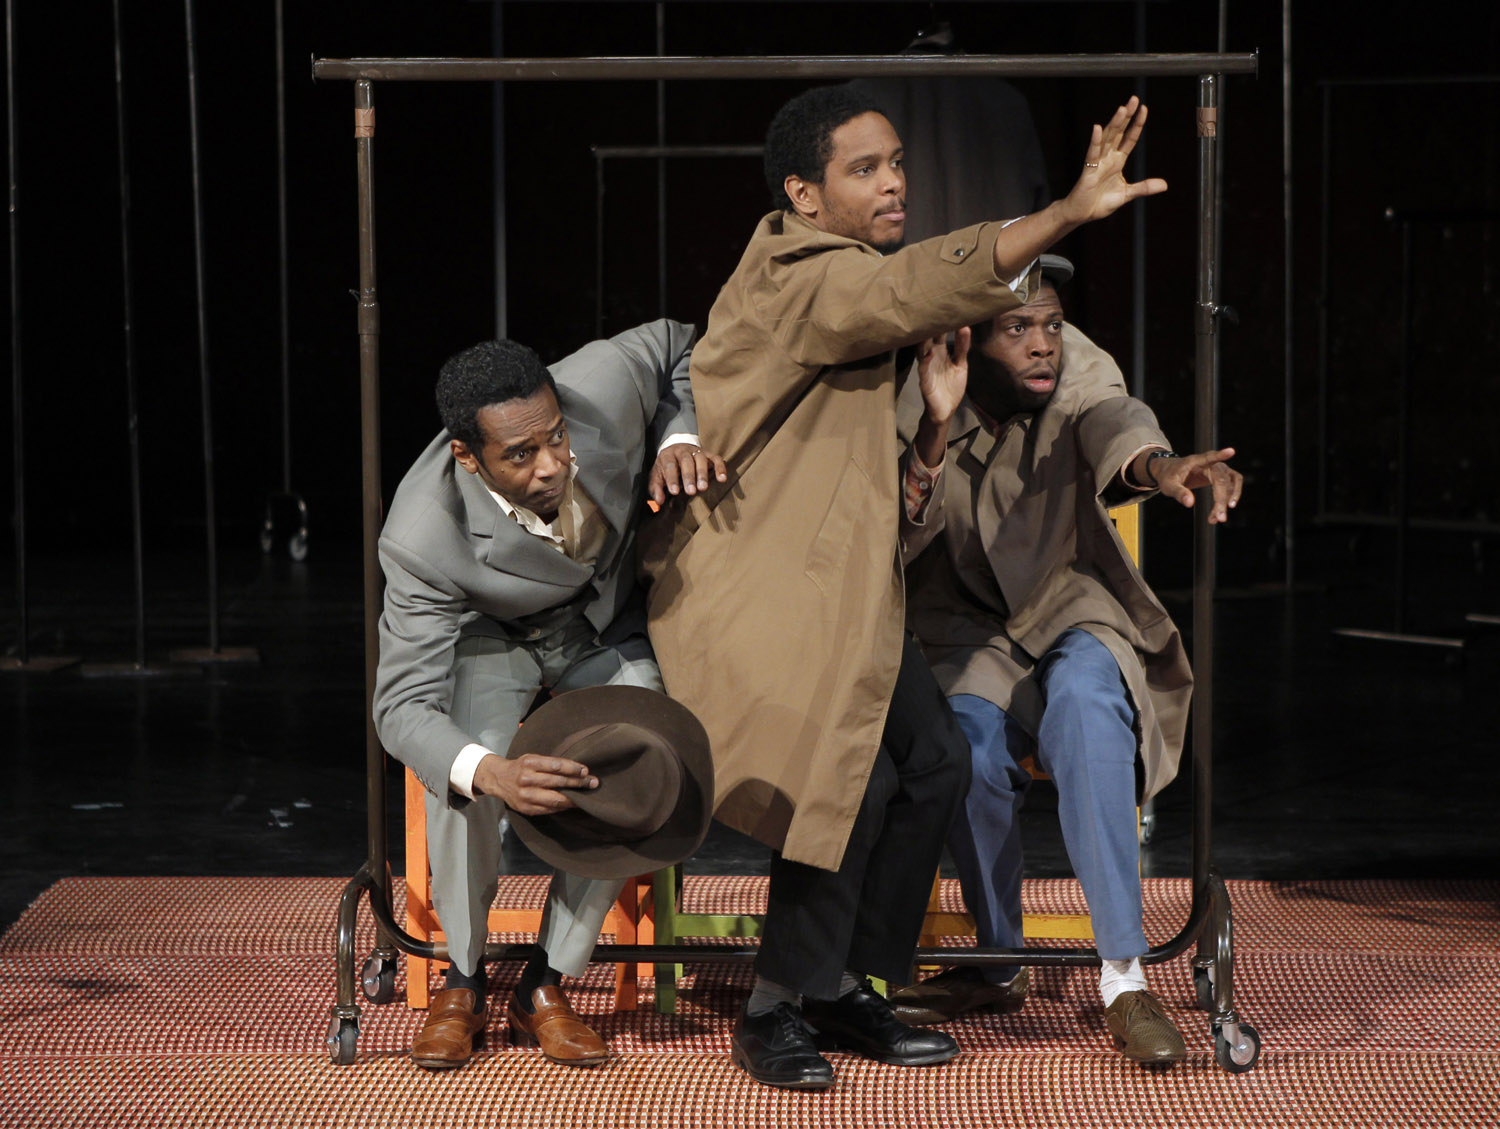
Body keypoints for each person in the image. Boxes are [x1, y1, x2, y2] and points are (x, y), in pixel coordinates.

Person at [639, 85, 1166, 1090]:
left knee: (934, 761)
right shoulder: (801, 272)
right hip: (758, 588)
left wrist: (933, 423)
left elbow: (891, 483)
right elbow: (915, 287)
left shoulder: (850, 282)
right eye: (865, 169)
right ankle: (775, 1005)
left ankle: (850, 985)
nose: (893, 184)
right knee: (851, 778)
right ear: (804, 194)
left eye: (896, 165)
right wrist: (1061, 214)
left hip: (843, 589)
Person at [886, 256, 1243, 1067]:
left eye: (1049, 323)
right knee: (966, 749)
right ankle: (999, 961)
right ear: (967, 338)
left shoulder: (1076, 365)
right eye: (1018, 329)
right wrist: (935, 429)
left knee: (1087, 703)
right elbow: (894, 534)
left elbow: (1114, 420)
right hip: (962, 630)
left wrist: (1161, 466)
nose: (1043, 343)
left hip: (1068, 604)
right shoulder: (916, 393)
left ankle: (1124, 976)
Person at [373, 321, 726, 1071]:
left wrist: (678, 435)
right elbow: (400, 705)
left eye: (556, 437)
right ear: (467, 456)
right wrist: (492, 772)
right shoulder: (423, 533)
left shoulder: (605, 381)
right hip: (493, 632)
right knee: (465, 759)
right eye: (521, 455)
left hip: (600, 624)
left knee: (640, 753)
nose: (553, 464)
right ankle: (463, 978)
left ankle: (546, 980)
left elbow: (680, 342)